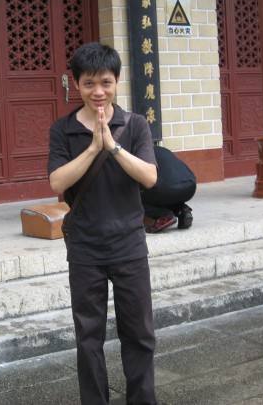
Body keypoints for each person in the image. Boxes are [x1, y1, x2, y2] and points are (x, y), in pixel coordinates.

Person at [48, 42, 158, 405]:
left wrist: (113, 145)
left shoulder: (135, 125)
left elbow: (150, 177)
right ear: (76, 84)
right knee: (88, 337)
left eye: (106, 82)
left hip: (128, 245)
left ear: (117, 82)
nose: (98, 91)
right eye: (89, 83)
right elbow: (57, 181)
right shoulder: (63, 129)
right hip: (85, 248)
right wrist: (93, 148)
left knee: (139, 334)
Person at [141, 146, 197, 234]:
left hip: (168, 189)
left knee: (132, 194)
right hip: (190, 185)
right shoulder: (162, 149)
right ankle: (183, 210)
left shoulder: (140, 154)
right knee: (166, 193)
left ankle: (163, 215)